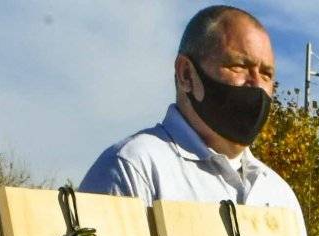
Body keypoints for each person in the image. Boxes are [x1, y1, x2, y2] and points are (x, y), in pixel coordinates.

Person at [79, 7, 300, 214]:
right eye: (239, 66)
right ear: (186, 74)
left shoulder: (280, 195)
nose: (256, 84)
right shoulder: (135, 167)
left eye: (266, 74)